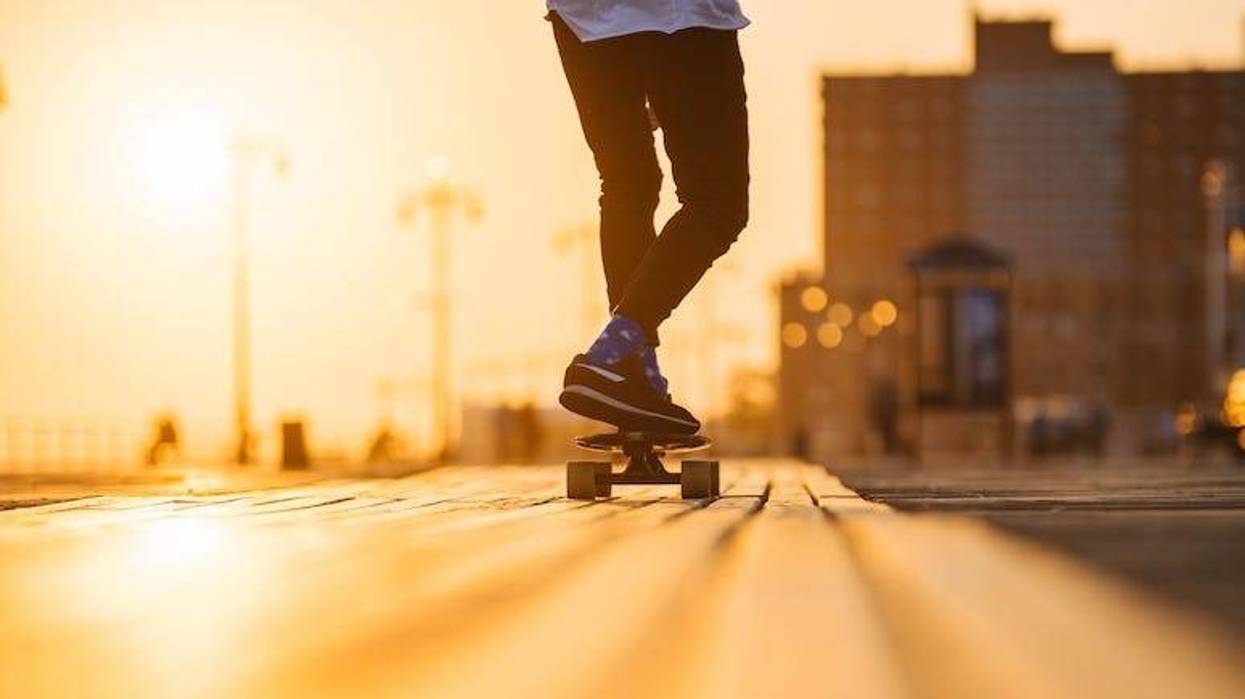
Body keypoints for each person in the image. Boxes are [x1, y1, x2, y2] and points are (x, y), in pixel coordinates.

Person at [549, 0, 751, 435]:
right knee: (717, 202)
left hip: (582, 17)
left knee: (627, 184)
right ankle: (611, 356)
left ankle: (635, 379)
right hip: (681, 18)